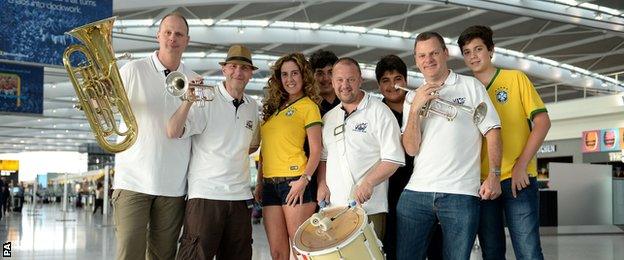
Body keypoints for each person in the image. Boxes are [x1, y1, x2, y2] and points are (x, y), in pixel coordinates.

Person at [397, 31, 502, 260]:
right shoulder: (411, 97)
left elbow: (492, 131)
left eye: (434, 53)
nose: (429, 60)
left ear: (445, 53)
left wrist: (494, 175)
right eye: (422, 55)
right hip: (416, 192)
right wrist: (415, 109)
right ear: (416, 60)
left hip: (460, 193)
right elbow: (411, 149)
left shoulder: (471, 86)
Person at [458, 25, 550, 260]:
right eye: (467, 52)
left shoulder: (515, 78)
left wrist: (521, 165)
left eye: (478, 49)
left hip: (517, 179)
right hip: (483, 183)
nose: (473, 56)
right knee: (492, 252)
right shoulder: (466, 91)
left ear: (491, 51)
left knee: (528, 251)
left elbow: (542, 123)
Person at [112, 12, 197, 260]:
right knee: (129, 252)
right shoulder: (132, 70)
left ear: (187, 40)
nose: (173, 38)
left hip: (172, 186)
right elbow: (105, 105)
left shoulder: (194, 80)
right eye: (168, 32)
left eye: (179, 34)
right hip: (132, 181)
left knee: (163, 256)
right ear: (158, 35)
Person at [167, 44, 260, 260]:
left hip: (240, 197)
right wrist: (187, 101)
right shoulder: (204, 99)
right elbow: (173, 130)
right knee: (195, 255)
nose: (238, 72)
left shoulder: (252, 106)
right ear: (224, 70)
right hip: (206, 196)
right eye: (233, 66)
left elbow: (251, 145)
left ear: (251, 73)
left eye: (244, 68)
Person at [318, 57, 405, 240]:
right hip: (334, 209)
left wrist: (368, 182)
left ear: (360, 80)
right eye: (340, 80)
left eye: (350, 79)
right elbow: (324, 157)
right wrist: (321, 183)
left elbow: (393, 159)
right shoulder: (328, 118)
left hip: (369, 208)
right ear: (333, 83)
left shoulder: (380, 112)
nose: (345, 85)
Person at [255, 52, 322, 260]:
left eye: (294, 73)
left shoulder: (309, 107)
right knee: (277, 252)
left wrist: (304, 180)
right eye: (284, 75)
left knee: (300, 251)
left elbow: (317, 149)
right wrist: (259, 182)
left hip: (294, 184)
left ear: (304, 76)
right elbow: (265, 150)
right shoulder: (273, 110)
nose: (289, 79)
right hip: (269, 185)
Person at [374, 54, 442, 260]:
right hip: (393, 189)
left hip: (427, 183)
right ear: (378, 85)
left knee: (436, 245)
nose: (392, 85)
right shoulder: (376, 112)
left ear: (405, 80)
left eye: (397, 79)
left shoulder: (424, 105)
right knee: (397, 248)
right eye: (385, 80)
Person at [309, 49, 340, 116]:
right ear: (311, 76)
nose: (326, 78)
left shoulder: (347, 103)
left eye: (330, 72)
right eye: (320, 73)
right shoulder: (308, 106)